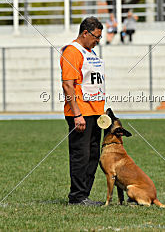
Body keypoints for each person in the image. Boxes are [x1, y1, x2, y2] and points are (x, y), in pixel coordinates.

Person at [60, 16, 105, 206]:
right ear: (85, 33)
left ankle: (84, 195)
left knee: (93, 155)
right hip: (81, 113)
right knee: (81, 155)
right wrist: (77, 114)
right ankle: (77, 197)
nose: (98, 41)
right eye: (96, 37)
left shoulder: (90, 52)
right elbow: (68, 86)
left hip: (96, 112)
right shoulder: (72, 52)